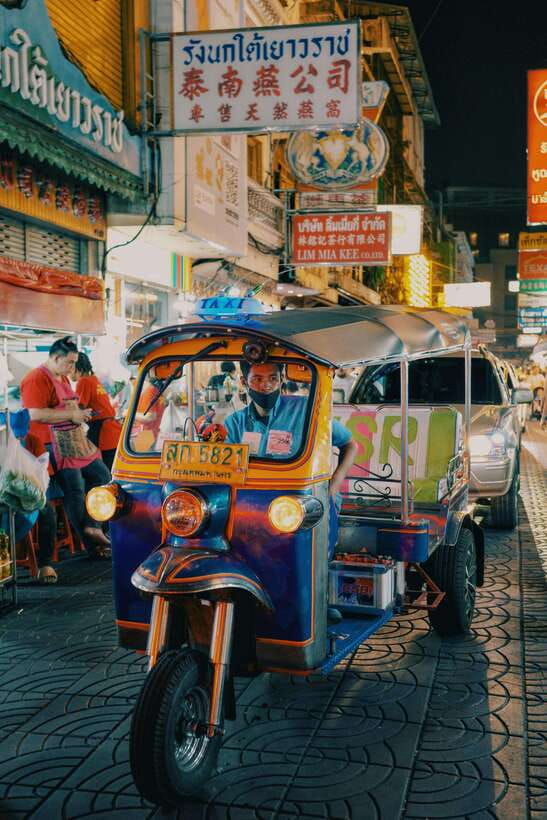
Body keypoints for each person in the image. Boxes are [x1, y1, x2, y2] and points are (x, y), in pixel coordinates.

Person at [224, 361, 357, 530]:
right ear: (244, 382)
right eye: (257, 379)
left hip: (301, 503)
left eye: (273, 378)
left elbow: (349, 444)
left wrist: (333, 486)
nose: (266, 385)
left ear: (281, 380)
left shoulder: (305, 409)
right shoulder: (235, 422)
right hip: (251, 504)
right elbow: (228, 468)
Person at [20, 337, 112, 559]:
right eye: (70, 362)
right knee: (75, 488)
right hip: (50, 444)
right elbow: (34, 413)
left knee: (103, 475)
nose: (72, 368)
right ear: (56, 358)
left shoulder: (61, 377)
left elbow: (69, 403)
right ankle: (92, 544)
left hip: (74, 440)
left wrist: (80, 413)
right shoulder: (36, 378)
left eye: (74, 363)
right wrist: (71, 414)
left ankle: (93, 526)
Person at [72, 353, 122, 472]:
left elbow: (78, 408)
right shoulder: (94, 379)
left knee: (100, 473)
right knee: (111, 471)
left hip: (103, 433)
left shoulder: (83, 381)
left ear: (76, 368)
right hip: (112, 431)